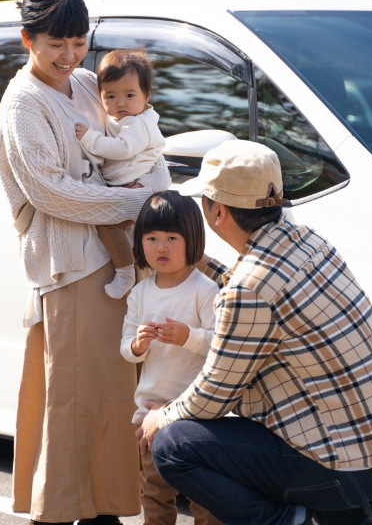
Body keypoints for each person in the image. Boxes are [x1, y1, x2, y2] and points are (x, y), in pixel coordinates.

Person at [136, 140, 372, 525]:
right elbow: (260, 289)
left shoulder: (248, 292)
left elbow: (213, 395)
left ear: (217, 212)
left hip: (339, 469)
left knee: (173, 446)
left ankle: (287, 522)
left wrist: (162, 417)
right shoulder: (309, 241)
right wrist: (203, 263)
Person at [0, 0, 171, 525]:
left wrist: (150, 195)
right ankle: (62, 512)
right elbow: (50, 191)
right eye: (56, 44)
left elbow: (132, 140)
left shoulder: (88, 84)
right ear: (28, 40)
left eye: (78, 42)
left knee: (113, 396)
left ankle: (105, 510)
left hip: (113, 265)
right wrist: (128, 205)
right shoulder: (24, 102)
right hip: (71, 268)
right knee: (74, 403)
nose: (70, 55)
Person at [119, 191, 223, 525]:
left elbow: (220, 346)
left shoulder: (204, 289)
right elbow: (125, 348)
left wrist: (187, 337)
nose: (160, 247)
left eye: (171, 238)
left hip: (196, 414)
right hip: (149, 411)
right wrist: (137, 345)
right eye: (151, 238)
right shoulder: (140, 291)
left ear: (192, 240)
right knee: (154, 491)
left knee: (204, 496)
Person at [75, 49, 166, 299]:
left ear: (147, 95)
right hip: (129, 186)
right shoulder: (124, 119)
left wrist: (89, 139)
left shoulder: (137, 123)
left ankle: (125, 273)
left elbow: (123, 149)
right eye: (110, 96)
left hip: (136, 189)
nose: (120, 102)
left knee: (109, 224)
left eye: (129, 94)